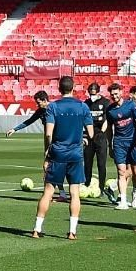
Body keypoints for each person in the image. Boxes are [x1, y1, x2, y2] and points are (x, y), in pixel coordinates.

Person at [29, 76, 93, 240]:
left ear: (59, 89)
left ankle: (37, 229)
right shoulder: (83, 106)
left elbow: (48, 133)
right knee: (75, 193)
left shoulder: (53, 107)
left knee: (48, 192)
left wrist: (47, 153)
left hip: (57, 152)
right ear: (74, 88)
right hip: (75, 154)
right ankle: (72, 232)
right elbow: (91, 133)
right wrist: (83, 139)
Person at [107, 84, 136, 210]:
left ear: (121, 92)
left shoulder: (131, 105)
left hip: (133, 142)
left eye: (116, 93)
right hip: (119, 142)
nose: (114, 96)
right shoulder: (110, 110)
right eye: (112, 94)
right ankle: (123, 200)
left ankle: (135, 192)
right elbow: (109, 129)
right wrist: (110, 145)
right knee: (121, 171)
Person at [82, 82, 112, 201]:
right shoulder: (86, 103)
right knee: (87, 163)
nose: (92, 95)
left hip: (100, 136)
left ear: (98, 92)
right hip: (89, 136)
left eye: (94, 93)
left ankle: (101, 188)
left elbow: (106, 119)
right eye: (90, 93)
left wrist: (102, 133)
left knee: (101, 164)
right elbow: (84, 119)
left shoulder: (105, 103)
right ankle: (86, 185)